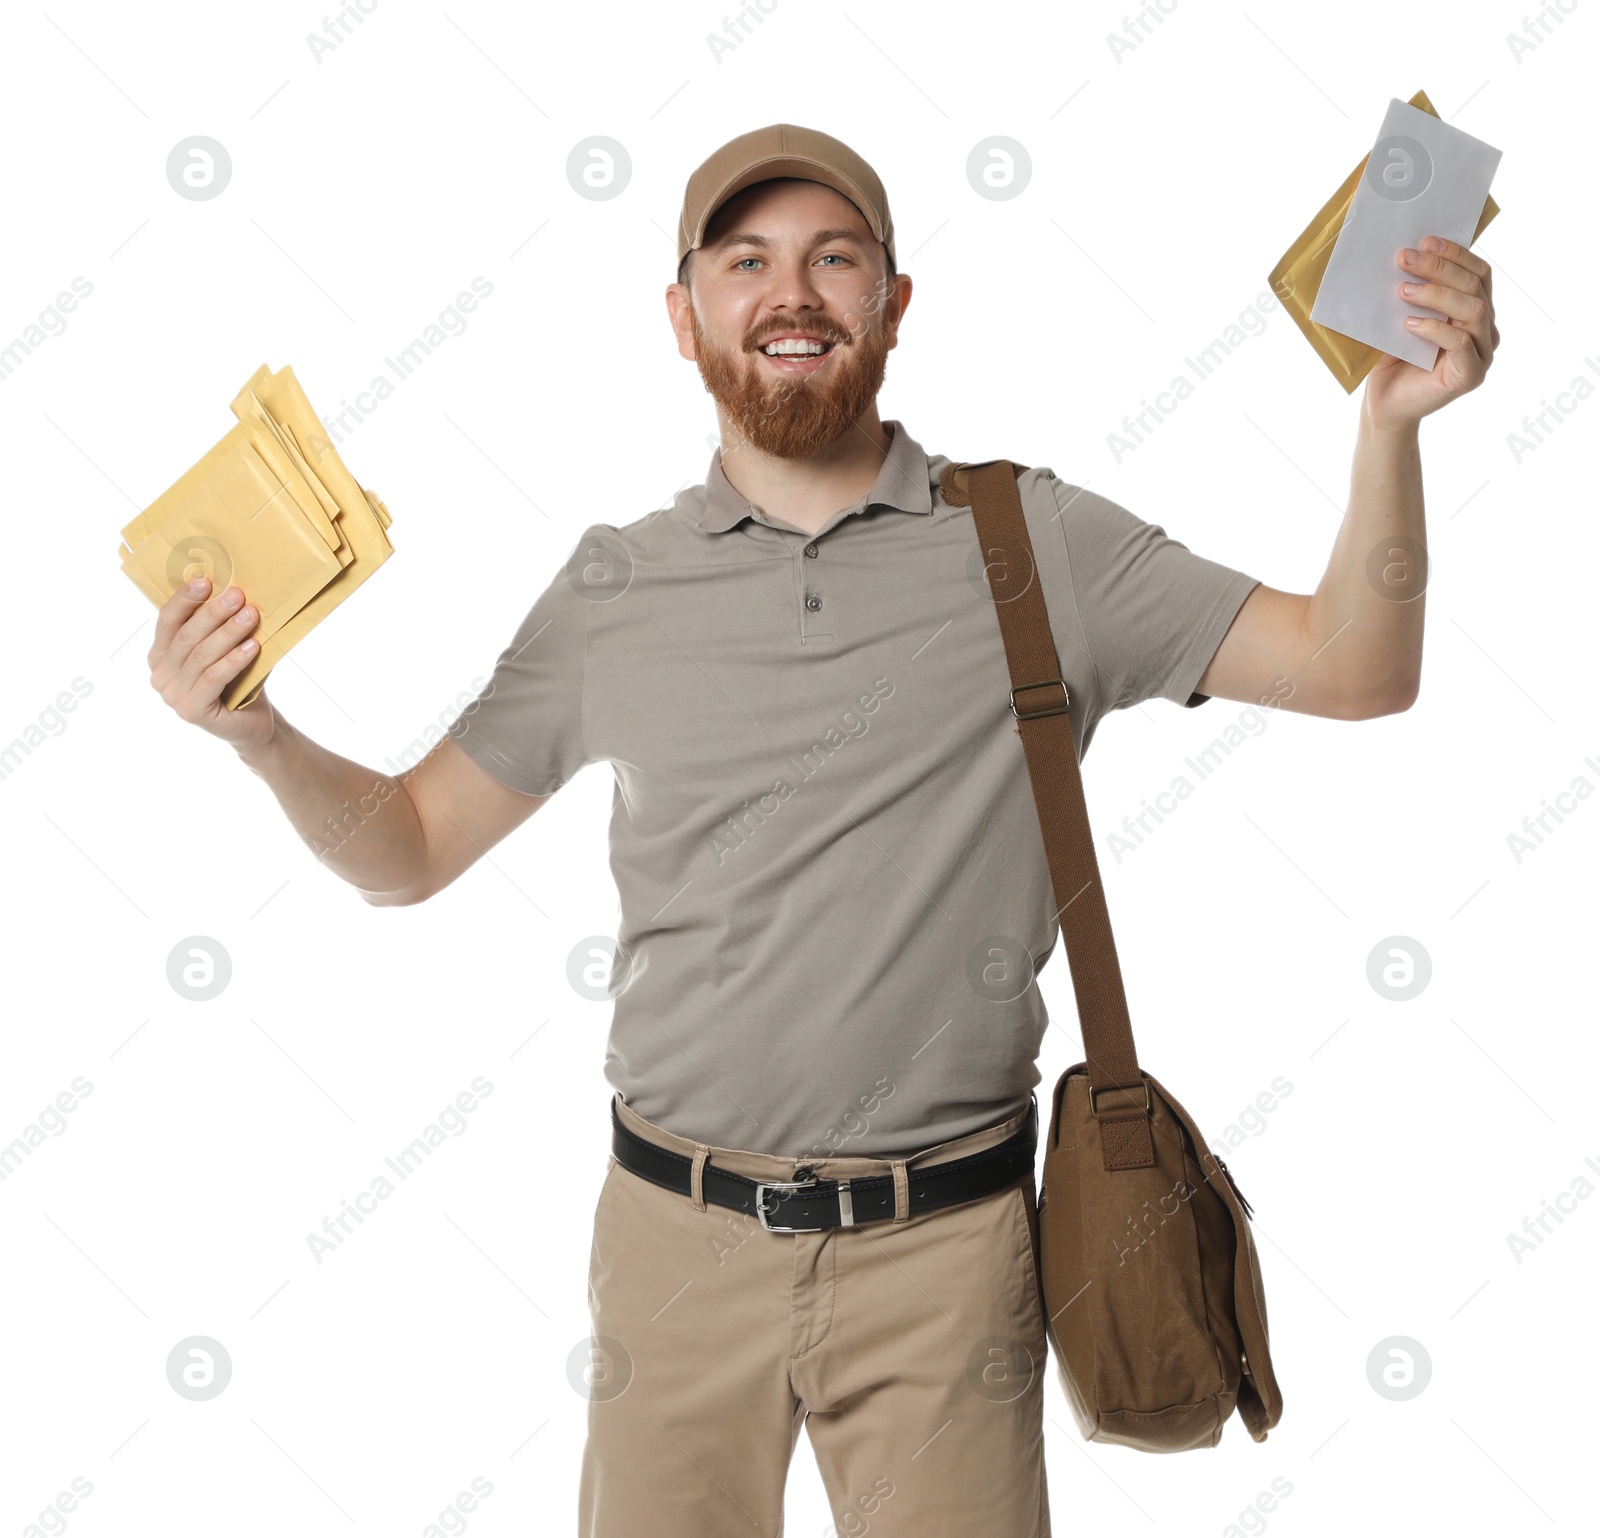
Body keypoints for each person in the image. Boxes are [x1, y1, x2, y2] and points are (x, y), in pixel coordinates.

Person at [146, 122, 1498, 1537]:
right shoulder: (615, 588)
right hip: (672, 1248)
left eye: (832, 258)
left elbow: (1355, 666)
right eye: (747, 262)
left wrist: (1388, 428)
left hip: (949, 1258)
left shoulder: (1034, 542)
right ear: (683, 319)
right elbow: (410, 847)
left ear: (893, 304)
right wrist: (260, 734)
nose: (791, 293)